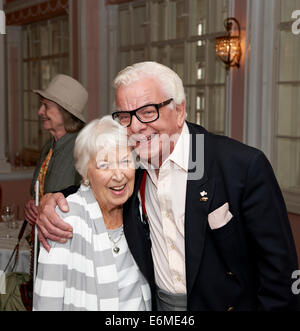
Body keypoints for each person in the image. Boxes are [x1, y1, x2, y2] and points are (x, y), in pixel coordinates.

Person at [36, 62, 299, 311]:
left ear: (180, 111)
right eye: (125, 116)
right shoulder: (133, 166)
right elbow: (100, 182)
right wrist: (56, 198)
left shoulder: (239, 165)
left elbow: (279, 273)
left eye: (148, 111)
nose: (136, 127)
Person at [33, 116, 151, 311]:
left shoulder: (136, 209)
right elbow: (47, 301)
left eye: (124, 161)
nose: (119, 175)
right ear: (84, 172)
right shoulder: (65, 218)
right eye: (104, 165)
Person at [24, 74, 88, 225]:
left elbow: (87, 199)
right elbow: (39, 194)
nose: (40, 111)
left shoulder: (83, 147)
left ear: (65, 112)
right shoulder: (49, 147)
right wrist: (33, 205)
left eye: (46, 106)